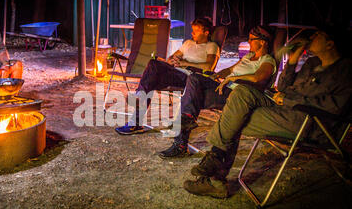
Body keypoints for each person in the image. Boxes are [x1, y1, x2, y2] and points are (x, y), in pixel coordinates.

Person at [183, 24, 352, 198]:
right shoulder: (312, 63)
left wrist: (288, 99)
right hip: (283, 110)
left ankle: (216, 174)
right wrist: (293, 59)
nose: (312, 37)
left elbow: (333, 107)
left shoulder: (345, 71)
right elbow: (285, 86)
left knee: (235, 117)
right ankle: (216, 165)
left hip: (308, 122)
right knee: (241, 93)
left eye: (319, 34)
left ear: (330, 44)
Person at [158, 25, 276, 158]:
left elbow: (258, 77)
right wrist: (217, 75)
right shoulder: (249, 56)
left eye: (251, 39)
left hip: (238, 96)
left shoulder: (267, 60)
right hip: (224, 88)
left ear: (262, 42)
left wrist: (234, 78)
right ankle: (186, 120)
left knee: (191, 99)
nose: (248, 42)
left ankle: (180, 143)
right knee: (194, 78)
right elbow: (230, 70)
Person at [115, 17, 220, 134]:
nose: (192, 33)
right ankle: (135, 122)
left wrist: (185, 63)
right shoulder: (188, 43)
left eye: (196, 31)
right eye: (192, 30)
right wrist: (172, 61)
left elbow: (209, 66)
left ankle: (139, 100)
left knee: (151, 73)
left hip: (190, 78)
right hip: (175, 73)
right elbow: (171, 58)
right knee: (152, 71)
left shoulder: (212, 46)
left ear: (206, 32)